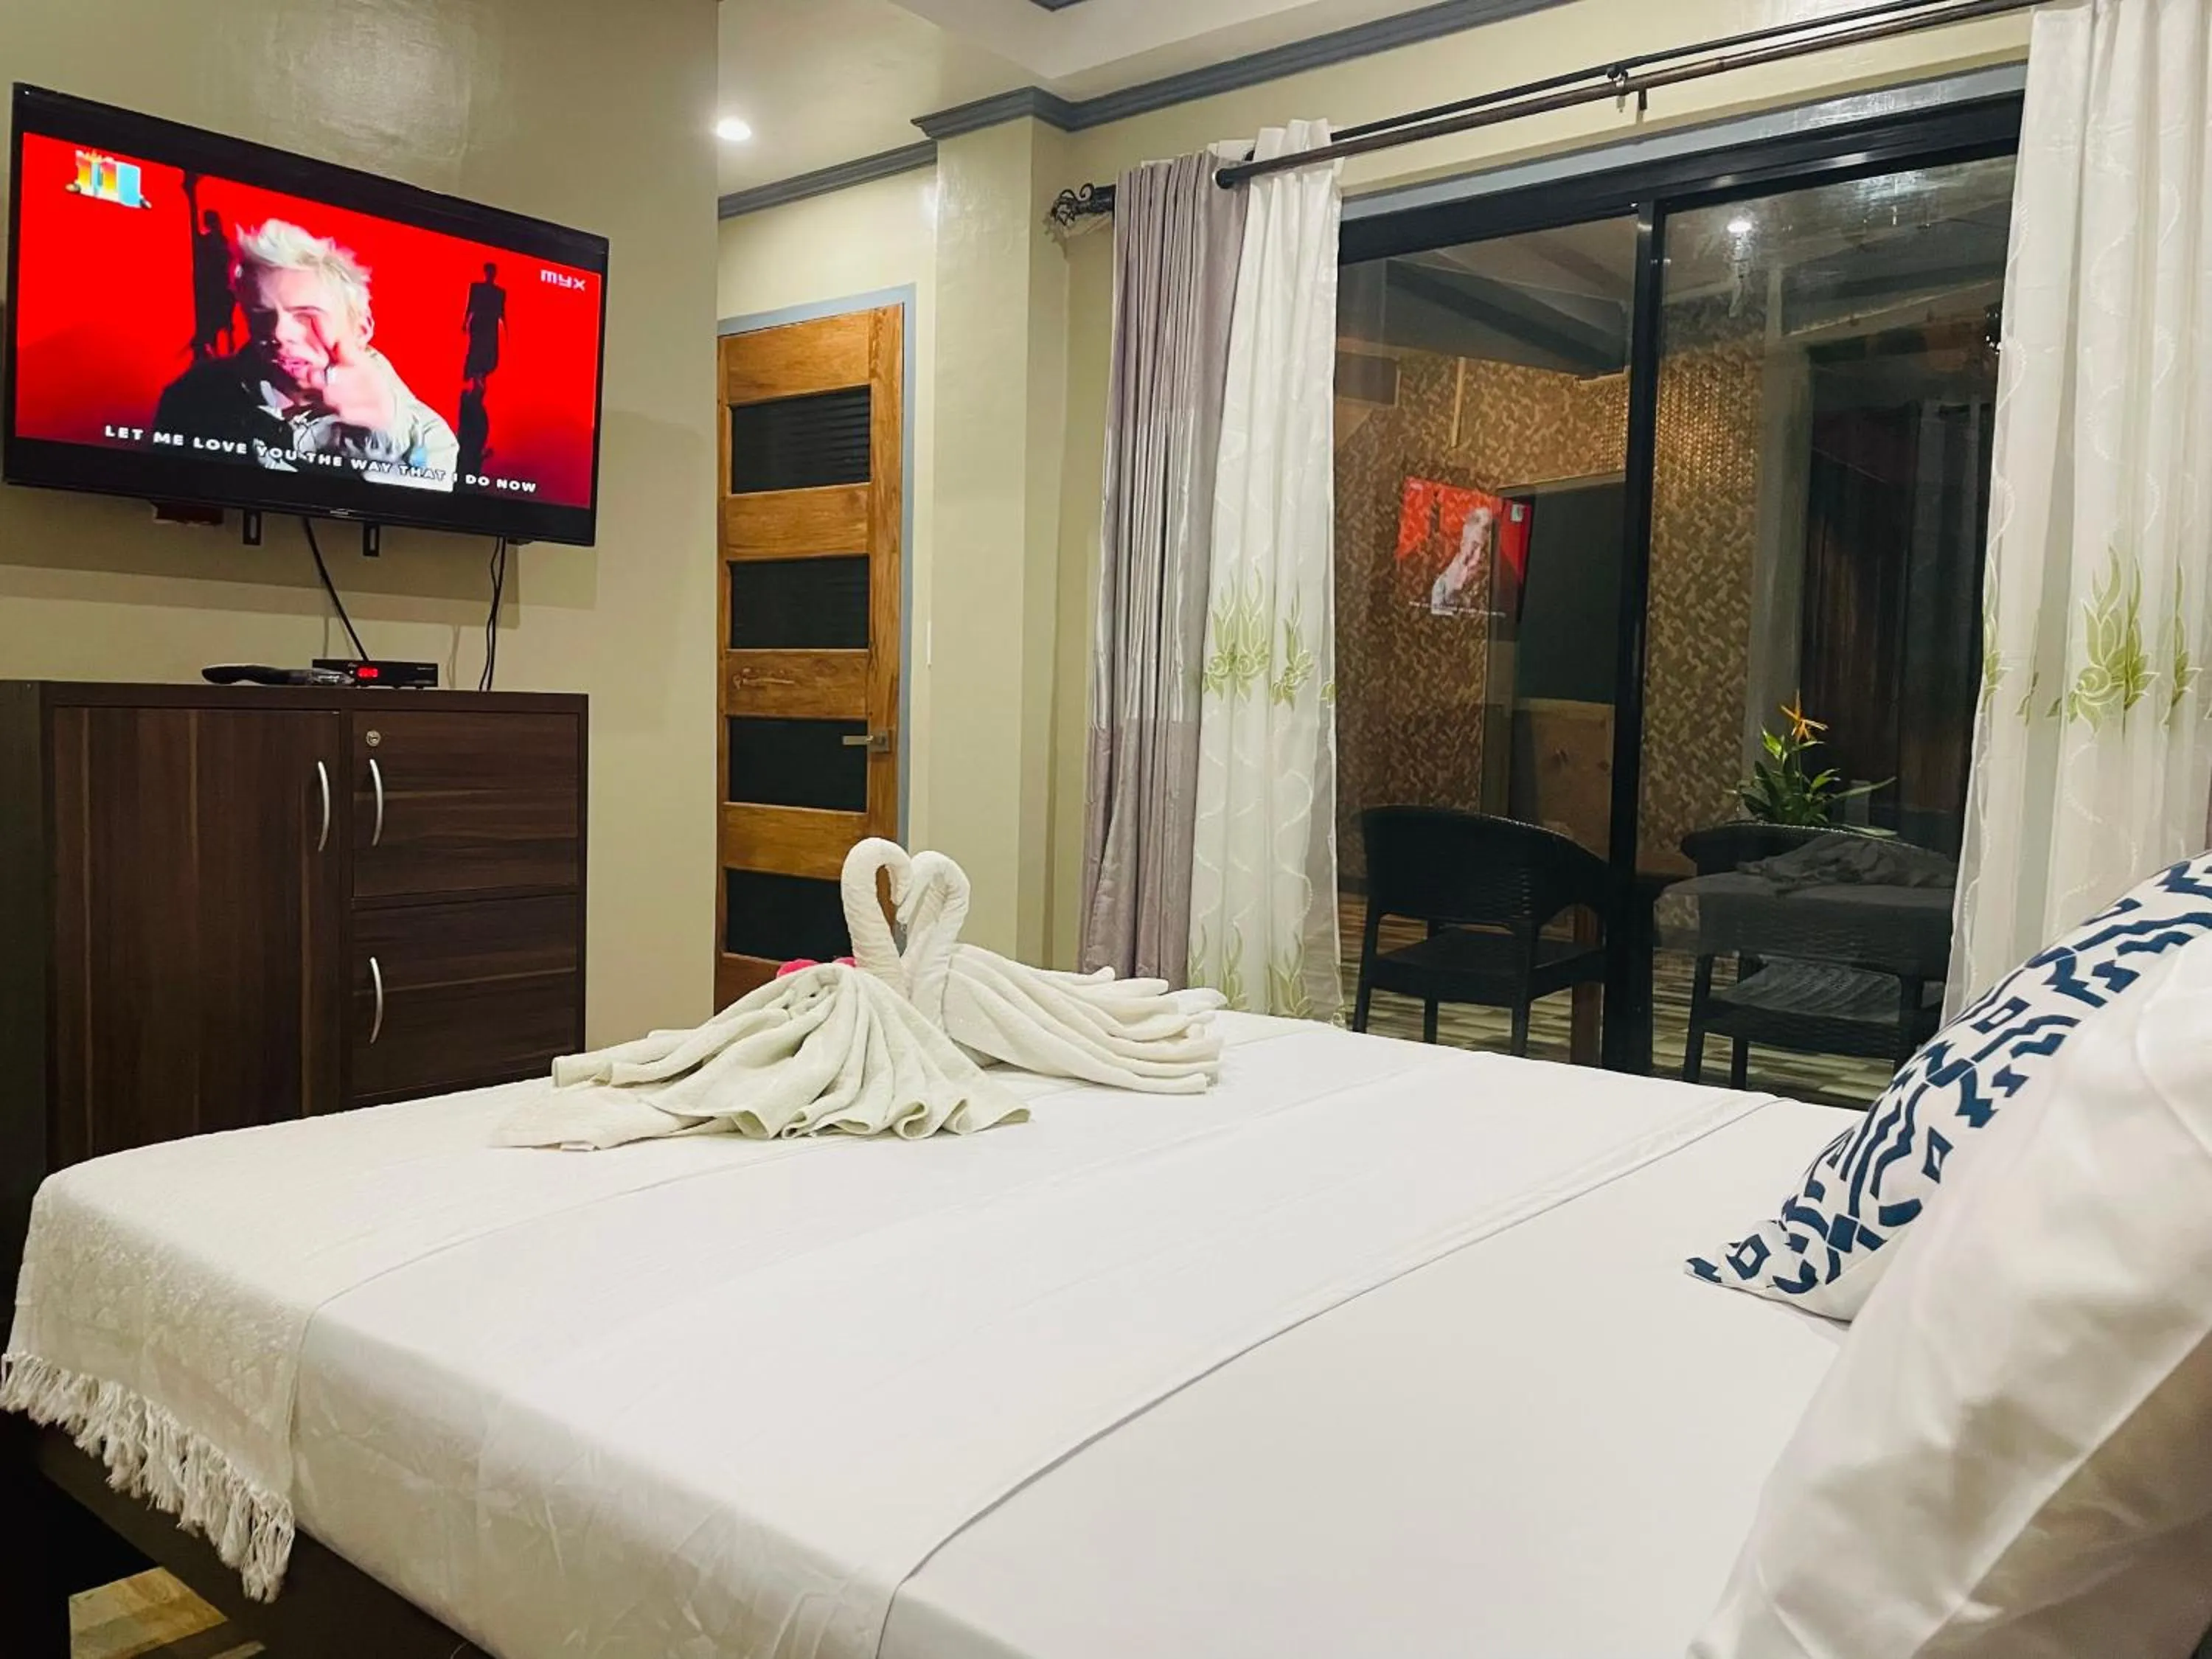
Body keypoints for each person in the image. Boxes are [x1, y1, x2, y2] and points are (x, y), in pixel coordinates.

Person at [153, 219, 458, 491]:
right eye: (261, 315)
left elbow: (405, 525)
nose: (278, 333)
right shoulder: (194, 395)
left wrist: (384, 438)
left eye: (306, 316)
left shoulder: (431, 439)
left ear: (362, 328)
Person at [462, 261, 506, 389]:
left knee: (488, 351)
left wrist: (506, 327)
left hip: (489, 324)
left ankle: (479, 375)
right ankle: (477, 375)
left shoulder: (499, 292)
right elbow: (471, 306)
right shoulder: (477, 288)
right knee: (477, 348)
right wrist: (465, 322)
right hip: (480, 323)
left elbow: (501, 312)